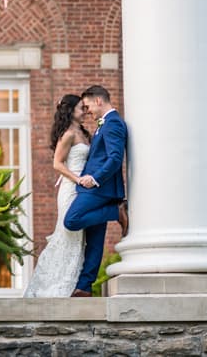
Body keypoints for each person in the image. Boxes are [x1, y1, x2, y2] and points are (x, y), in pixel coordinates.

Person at [63, 85, 129, 298]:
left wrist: (95, 179)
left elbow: (115, 158)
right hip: (97, 189)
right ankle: (84, 286)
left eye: (88, 105)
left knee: (72, 220)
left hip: (98, 189)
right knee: (95, 240)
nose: (87, 110)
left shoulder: (113, 124)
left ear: (99, 101)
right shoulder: (104, 124)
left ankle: (116, 212)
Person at [23, 94, 90, 297]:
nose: (84, 111)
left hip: (83, 188)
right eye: (81, 108)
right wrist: (77, 179)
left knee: (77, 237)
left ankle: (71, 281)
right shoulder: (68, 134)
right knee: (67, 234)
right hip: (71, 188)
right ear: (70, 111)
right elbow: (57, 164)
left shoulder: (83, 131)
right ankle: (53, 285)